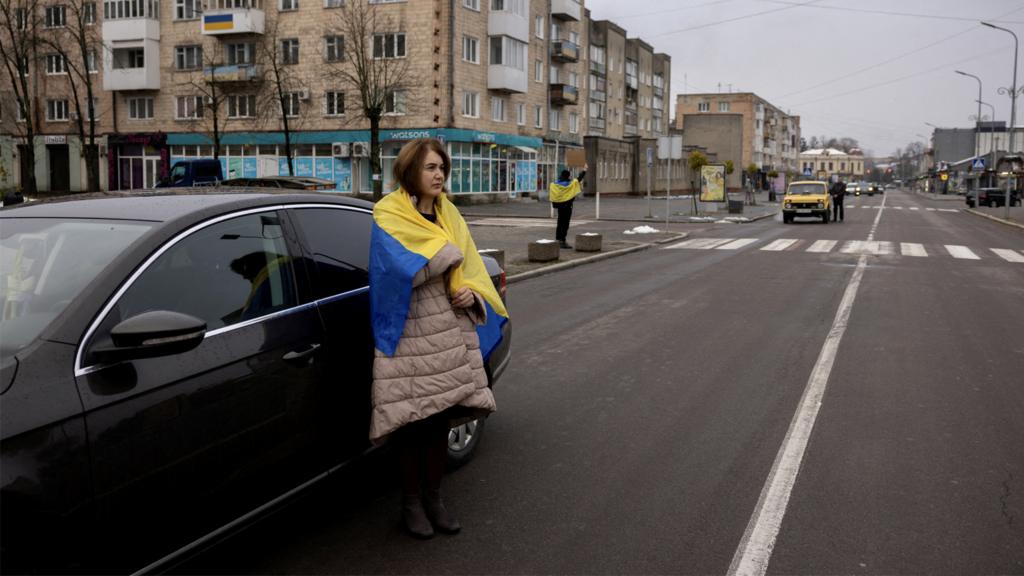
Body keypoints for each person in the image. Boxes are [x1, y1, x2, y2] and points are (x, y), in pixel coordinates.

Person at [368, 138, 509, 539]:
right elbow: (392, 277)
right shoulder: (388, 214)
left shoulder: (450, 215)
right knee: (414, 425)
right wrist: (445, 258)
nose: (438, 175)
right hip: (410, 335)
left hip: (448, 335)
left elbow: (472, 273)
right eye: (431, 168)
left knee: (439, 423)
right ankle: (410, 504)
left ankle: (435, 499)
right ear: (411, 170)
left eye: (442, 168)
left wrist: (473, 294)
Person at [548, 163, 587, 249]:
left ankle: (558, 239)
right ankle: (562, 240)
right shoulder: (570, 184)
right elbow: (579, 179)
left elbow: (552, 190)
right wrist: (584, 170)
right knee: (565, 224)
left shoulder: (555, 184)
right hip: (567, 206)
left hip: (559, 206)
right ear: (568, 176)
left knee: (559, 222)